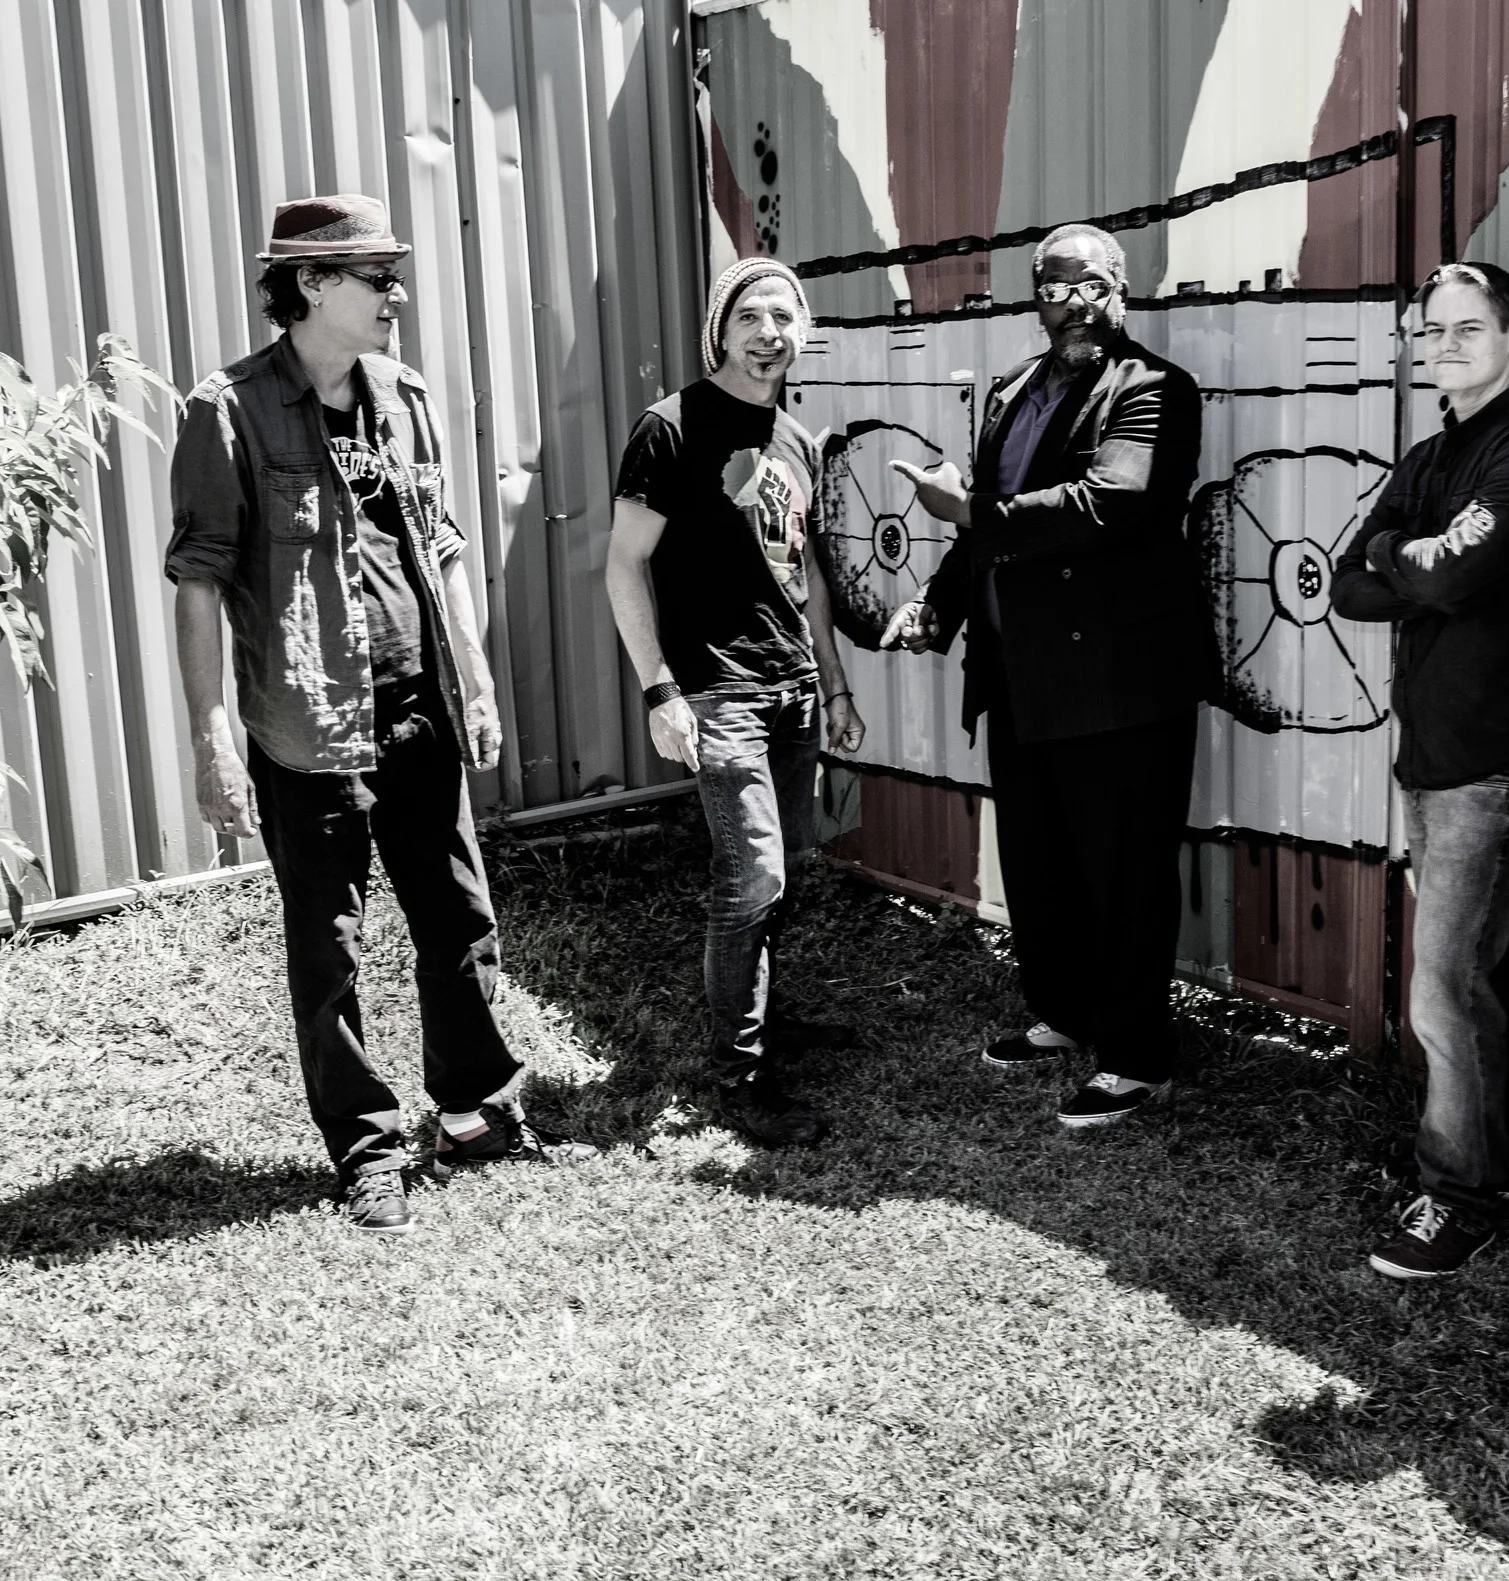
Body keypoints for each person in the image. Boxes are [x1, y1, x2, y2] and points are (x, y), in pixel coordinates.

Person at [166, 194, 596, 1234]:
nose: (396, 294)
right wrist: (213, 735)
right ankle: (366, 1146)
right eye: (377, 276)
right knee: (332, 948)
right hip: (307, 723)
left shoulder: (404, 395)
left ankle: (473, 1112)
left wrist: (475, 681)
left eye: (394, 275)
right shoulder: (226, 410)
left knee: (458, 917)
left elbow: (440, 548)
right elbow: (199, 580)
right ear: (312, 284)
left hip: (418, 705)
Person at [881, 223, 1211, 1129]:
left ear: (1121, 289)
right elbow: (985, 530)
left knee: (1124, 872)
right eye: (1056, 287)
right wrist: (939, 604)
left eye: (1091, 284)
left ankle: (1137, 1057)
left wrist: (970, 510)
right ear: (1036, 299)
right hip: (1019, 674)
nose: (1074, 303)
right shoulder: (1012, 389)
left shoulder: (1154, 389)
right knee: (1039, 865)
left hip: (1118, 683)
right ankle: (1067, 1013)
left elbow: (1110, 503)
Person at [1328, 261, 1509, 1279]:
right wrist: (1417, 560)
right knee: (1488, 967)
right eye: (1432, 332)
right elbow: (1349, 587)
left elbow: (1448, 571)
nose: (1445, 346)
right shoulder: (1430, 455)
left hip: (1499, 757)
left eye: (1467, 328)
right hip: (1434, 754)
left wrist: (1408, 560)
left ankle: (1456, 1196)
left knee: (1441, 988)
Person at [606, 257, 868, 1150]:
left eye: (784, 316)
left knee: (783, 869)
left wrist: (834, 682)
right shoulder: (669, 428)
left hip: (794, 686)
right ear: (720, 330)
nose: (769, 333)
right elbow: (624, 565)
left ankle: (760, 1016)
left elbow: (807, 572)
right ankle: (740, 1075)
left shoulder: (796, 438)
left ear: (803, 331)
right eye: (750, 316)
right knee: (751, 872)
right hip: (718, 691)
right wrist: (660, 690)